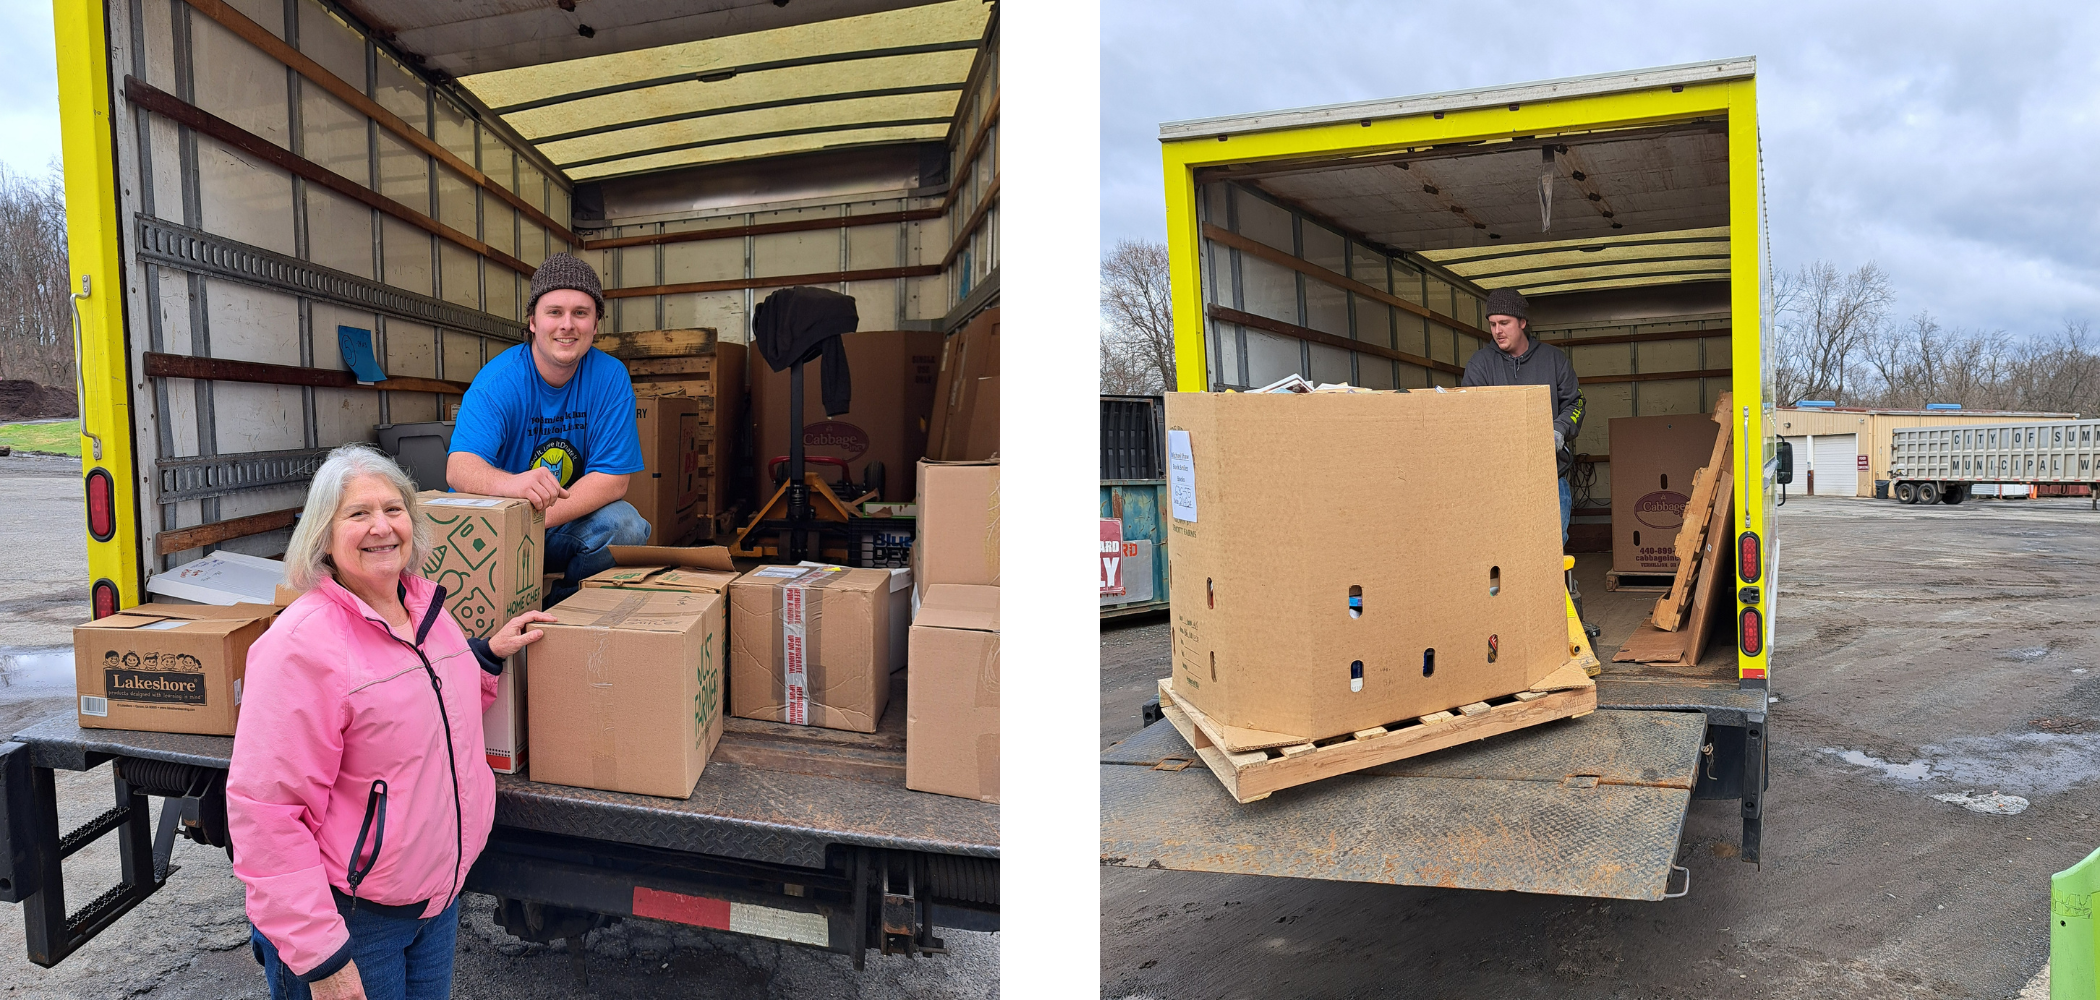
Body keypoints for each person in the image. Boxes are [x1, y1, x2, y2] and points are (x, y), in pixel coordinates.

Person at [230, 445, 555, 1000]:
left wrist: (484, 657)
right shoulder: (300, 648)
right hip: (355, 922)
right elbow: (268, 818)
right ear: (323, 536)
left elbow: (431, 708)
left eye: (393, 509)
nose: (381, 527)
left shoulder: (427, 614)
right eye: (358, 514)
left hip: (435, 905)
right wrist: (322, 959)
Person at [447, 252, 648, 603]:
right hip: (495, 528)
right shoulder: (499, 381)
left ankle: (561, 612)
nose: (567, 325)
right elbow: (459, 468)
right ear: (533, 321)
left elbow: (613, 479)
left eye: (580, 313)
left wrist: (539, 518)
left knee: (627, 526)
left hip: (556, 523)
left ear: (596, 325)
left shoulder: (610, 377)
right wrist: (512, 486)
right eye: (554, 312)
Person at [1459, 287, 1585, 544]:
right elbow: (1469, 416)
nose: (1497, 331)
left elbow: (1576, 403)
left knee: (1549, 547)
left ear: (1522, 322)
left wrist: (1559, 429)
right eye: (1492, 324)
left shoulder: (1553, 360)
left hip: (1549, 477)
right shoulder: (1480, 364)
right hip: (1496, 483)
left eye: (1504, 323)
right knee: (1501, 549)